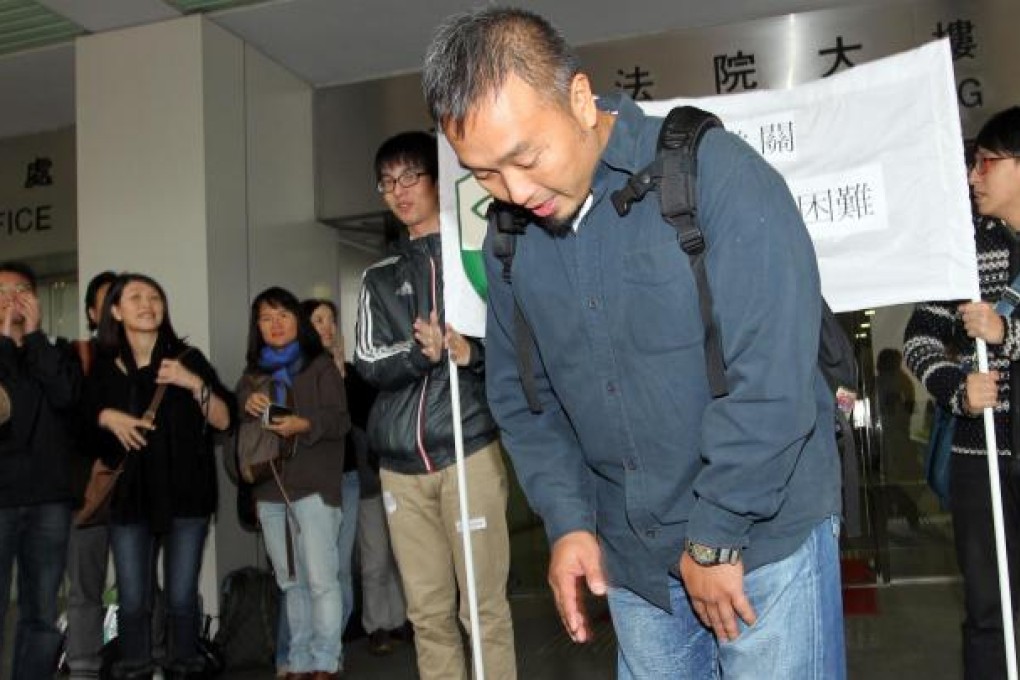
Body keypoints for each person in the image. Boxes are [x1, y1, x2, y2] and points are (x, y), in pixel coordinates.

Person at [423, 8, 845, 679]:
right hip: (634, 560)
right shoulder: (510, 242)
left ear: (581, 99)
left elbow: (775, 380)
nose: (515, 191)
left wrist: (714, 538)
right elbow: (524, 401)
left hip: (761, 545)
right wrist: (568, 521)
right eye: (484, 175)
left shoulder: (716, 175)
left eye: (526, 157)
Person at [354, 131, 516, 680]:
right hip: (400, 470)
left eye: (410, 177)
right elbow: (368, 360)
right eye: (387, 182)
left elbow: (524, 346)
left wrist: (471, 352)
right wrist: (422, 354)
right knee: (427, 614)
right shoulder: (379, 278)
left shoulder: (480, 260)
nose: (398, 191)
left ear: (437, 180)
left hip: (468, 452)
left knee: (483, 609)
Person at [904, 106, 1020, 680]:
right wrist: (957, 390)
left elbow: (1004, 333)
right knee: (987, 614)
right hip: (985, 464)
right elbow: (918, 340)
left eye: (985, 163)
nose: (973, 177)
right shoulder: (964, 249)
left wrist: (1009, 333)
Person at [87, 273, 233, 679]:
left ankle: (183, 664)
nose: (147, 304)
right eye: (135, 297)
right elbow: (79, 426)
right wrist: (105, 415)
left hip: (187, 496)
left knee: (182, 596)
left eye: (154, 297)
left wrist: (193, 384)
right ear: (115, 311)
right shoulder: (103, 369)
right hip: (128, 500)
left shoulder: (188, 359)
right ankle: (135, 666)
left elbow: (224, 418)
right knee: (134, 598)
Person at [237, 287, 349, 680]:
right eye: (266, 318)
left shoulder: (319, 367)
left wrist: (305, 425)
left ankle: (326, 660)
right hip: (270, 491)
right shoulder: (252, 377)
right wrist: (248, 407)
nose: (276, 324)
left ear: (297, 321)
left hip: (315, 487)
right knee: (291, 584)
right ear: (257, 328)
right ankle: (298, 660)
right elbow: (243, 439)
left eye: (283, 314)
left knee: (321, 580)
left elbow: (340, 422)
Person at [0, 261, 82, 679]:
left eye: (20, 291)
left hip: (49, 497)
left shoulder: (57, 350)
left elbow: (66, 397)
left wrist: (31, 336)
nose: (10, 299)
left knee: (42, 612)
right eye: (1, 292)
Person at [66, 270, 117, 680]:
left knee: (141, 592)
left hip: (135, 492)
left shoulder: (150, 358)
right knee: (84, 591)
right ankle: (84, 668)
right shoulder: (75, 357)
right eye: (106, 300)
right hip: (88, 490)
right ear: (90, 311)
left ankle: (145, 662)